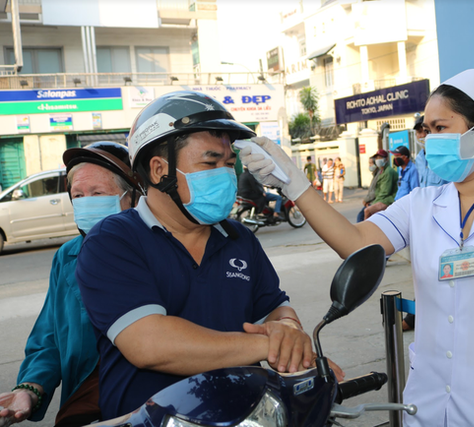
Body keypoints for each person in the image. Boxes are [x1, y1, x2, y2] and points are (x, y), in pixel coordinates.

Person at [239, 64, 474, 426]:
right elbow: (356, 242)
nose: (429, 140)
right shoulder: (421, 204)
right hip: (430, 402)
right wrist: (296, 185)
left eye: (441, 128)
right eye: (427, 130)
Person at [75, 91, 343, 420]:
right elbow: (150, 343)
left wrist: (289, 334)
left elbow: (273, 307)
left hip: (246, 414)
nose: (225, 174)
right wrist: (267, 346)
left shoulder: (238, 237)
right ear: (160, 170)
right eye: (210, 163)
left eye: (229, 164)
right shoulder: (113, 241)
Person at [0, 142, 145, 427]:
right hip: (88, 408)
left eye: (98, 194)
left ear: (133, 197)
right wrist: (30, 388)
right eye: (78, 195)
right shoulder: (67, 256)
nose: (86, 202)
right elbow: (49, 338)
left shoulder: (160, 250)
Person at [414, 115, 448, 188]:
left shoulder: (444, 156)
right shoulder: (418, 159)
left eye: (426, 131)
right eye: (419, 132)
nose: (423, 135)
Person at [362, 149, 398, 220]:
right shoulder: (381, 171)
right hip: (380, 199)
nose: (378, 160)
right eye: (377, 158)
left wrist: (373, 203)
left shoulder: (388, 172)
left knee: (367, 211)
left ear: (386, 159)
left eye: (380, 158)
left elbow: (385, 192)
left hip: (387, 199)